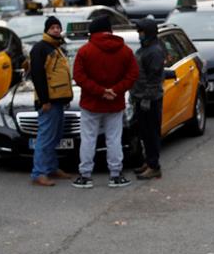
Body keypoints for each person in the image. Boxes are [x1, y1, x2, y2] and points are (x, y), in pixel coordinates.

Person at [72, 16, 139, 189]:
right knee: (114, 139)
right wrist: (115, 90)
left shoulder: (85, 51)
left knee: (88, 139)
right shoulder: (125, 51)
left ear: (92, 32)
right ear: (110, 30)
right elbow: (132, 74)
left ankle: (85, 175)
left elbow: (79, 76)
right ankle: (115, 175)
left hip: (91, 103)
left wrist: (99, 91)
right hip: (115, 103)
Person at [28, 16, 74, 187]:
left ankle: (52, 167)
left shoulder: (57, 47)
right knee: (45, 138)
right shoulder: (41, 48)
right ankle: (39, 173)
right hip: (49, 102)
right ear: (46, 30)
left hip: (58, 101)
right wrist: (44, 100)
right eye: (53, 27)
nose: (56, 30)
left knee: (55, 136)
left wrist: (65, 97)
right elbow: (38, 75)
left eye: (58, 27)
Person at [131, 19, 165, 180]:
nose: (139, 34)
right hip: (141, 97)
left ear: (149, 32)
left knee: (151, 134)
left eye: (141, 31)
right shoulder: (145, 49)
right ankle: (149, 161)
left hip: (150, 100)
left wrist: (147, 98)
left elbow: (154, 78)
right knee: (144, 133)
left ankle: (154, 166)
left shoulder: (154, 51)